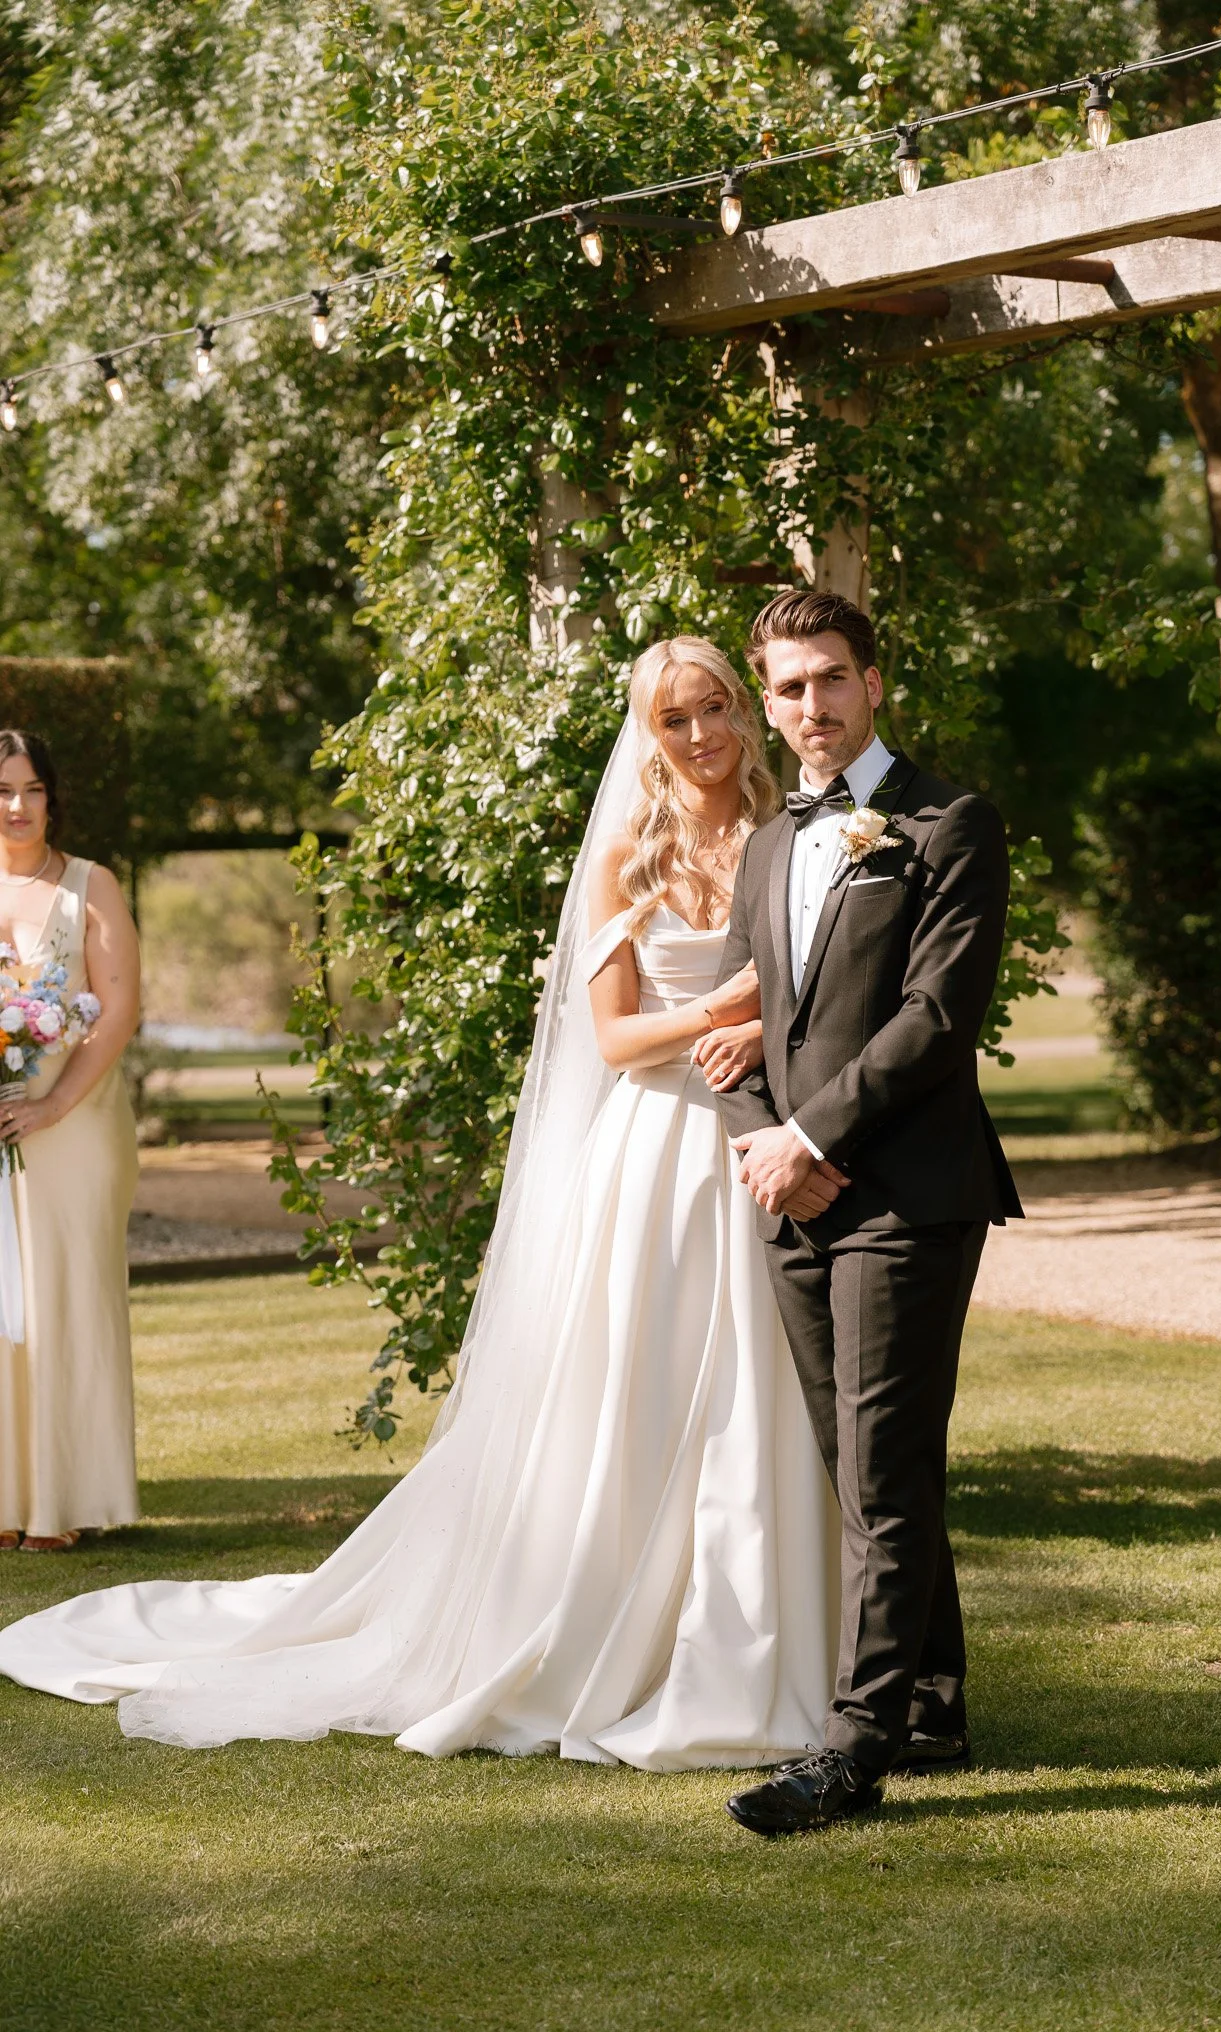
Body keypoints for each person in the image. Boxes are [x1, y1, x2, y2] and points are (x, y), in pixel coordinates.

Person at [0, 639, 842, 1765]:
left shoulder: (791, 835)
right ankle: (619, 1639)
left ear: (744, 710)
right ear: (648, 731)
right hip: (655, 1154)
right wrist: (728, 1006)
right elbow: (614, 1036)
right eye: (672, 717)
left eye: (714, 709)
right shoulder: (626, 856)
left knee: (760, 1404)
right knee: (639, 1404)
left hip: (760, 1153)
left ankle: (767, 1641)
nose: (698, 735)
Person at [714, 591, 1022, 1836]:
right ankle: (933, 1700)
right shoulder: (769, 844)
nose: (811, 706)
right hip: (791, 1195)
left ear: (874, 681)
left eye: (831, 678)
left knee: (885, 1470)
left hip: (908, 1193)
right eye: (787, 687)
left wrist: (813, 1136)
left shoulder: (951, 822)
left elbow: (936, 1020)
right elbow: (750, 1035)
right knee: (857, 1466)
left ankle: (852, 1747)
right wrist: (762, 1147)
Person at [0, 730, 142, 1554]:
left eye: (32, 790)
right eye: (3, 791)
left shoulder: (92, 886)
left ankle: (65, 1500)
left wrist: (51, 1105)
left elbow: (117, 1010)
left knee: (65, 1298)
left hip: (75, 1124)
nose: (17, 807)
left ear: (53, 798)